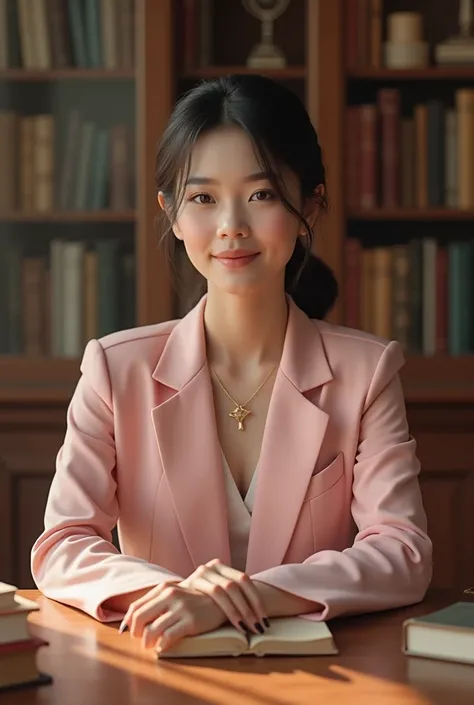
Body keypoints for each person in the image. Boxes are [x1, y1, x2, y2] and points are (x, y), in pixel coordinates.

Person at [31, 74, 432, 654]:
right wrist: (174, 596)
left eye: (262, 194)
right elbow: (63, 543)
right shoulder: (115, 371)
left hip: (317, 678)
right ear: (171, 212)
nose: (230, 225)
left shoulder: (367, 373)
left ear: (308, 206)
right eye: (203, 197)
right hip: (157, 669)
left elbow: (403, 551)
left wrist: (247, 596)